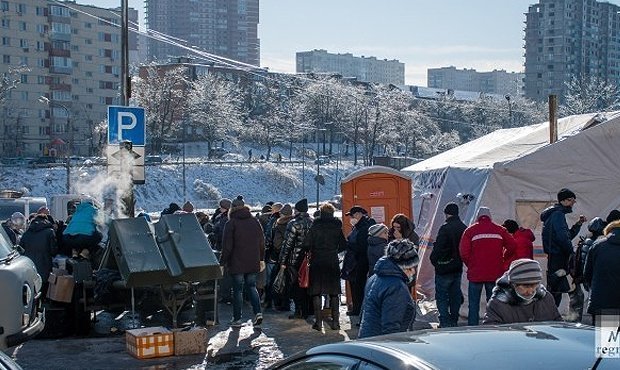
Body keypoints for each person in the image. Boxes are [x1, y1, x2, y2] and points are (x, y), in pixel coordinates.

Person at [460, 206, 517, 326]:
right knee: (493, 302)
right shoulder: (500, 230)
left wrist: (471, 264)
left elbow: (463, 252)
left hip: (476, 273)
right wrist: (503, 258)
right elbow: (512, 245)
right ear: (490, 216)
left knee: (473, 303)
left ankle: (473, 326)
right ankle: (493, 325)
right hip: (494, 272)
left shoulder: (470, 231)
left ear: (478, 216)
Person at [358, 239, 420, 338]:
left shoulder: (375, 277)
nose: (413, 272)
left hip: (369, 339)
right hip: (382, 345)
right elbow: (391, 327)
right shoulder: (396, 286)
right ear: (402, 266)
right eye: (410, 268)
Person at [220, 195, 265, 328]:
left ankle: (237, 319)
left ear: (232, 208)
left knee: (238, 290)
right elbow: (262, 242)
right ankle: (258, 313)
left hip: (237, 262)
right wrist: (261, 259)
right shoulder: (254, 221)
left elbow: (227, 246)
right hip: (253, 261)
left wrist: (222, 262)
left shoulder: (231, 223)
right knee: (252, 287)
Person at [303, 203, 347, 331]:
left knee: (316, 292)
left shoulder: (315, 226)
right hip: (332, 261)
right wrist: (333, 251)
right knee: (334, 292)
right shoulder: (337, 226)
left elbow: (306, 244)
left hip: (317, 261)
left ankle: (318, 322)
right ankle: (336, 322)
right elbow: (343, 245)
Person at [540, 188, 586, 306]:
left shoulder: (555, 214)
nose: (573, 203)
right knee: (558, 290)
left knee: (555, 288)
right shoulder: (558, 215)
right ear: (564, 201)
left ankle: (552, 315)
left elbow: (566, 235)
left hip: (555, 257)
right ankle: (553, 317)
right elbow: (562, 238)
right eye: (572, 200)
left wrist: (578, 225)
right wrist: (571, 252)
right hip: (559, 258)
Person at [483, 259, 562, 325]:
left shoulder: (546, 298)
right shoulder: (498, 304)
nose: (531, 291)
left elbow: (557, 323)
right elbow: (492, 333)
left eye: (535, 285)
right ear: (513, 284)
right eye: (526, 286)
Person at [429, 202, 467, 328]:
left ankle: (445, 321)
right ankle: (454, 319)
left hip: (444, 267)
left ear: (446, 213)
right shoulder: (463, 227)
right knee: (455, 294)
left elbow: (439, 247)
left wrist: (434, 260)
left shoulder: (445, 228)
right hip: (457, 266)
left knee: (441, 295)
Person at [279, 198, 313, 319]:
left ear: (297, 210)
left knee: (295, 285)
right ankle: (307, 310)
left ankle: (298, 310)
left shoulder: (293, 223)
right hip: (309, 259)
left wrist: (282, 261)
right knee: (307, 283)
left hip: (294, 259)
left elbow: (287, 244)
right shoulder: (312, 222)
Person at [583, 220, 620, 326]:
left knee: (608, 340)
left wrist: (594, 288)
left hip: (603, 303)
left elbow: (587, 274)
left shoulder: (597, 246)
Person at [344, 205, 376, 318]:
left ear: (358, 214)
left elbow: (362, 246)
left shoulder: (364, 227)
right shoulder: (359, 225)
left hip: (360, 262)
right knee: (356, 286)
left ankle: (359, 309)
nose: (350, 218)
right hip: (356, 261)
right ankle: (357, 308)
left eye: (352, 216)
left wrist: (350, 246)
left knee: (359, 286)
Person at [270, 203, 294, 311]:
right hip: (294, 256)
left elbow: (277, 243)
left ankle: (281, 303)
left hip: (281, 256)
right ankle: (288, 302)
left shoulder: (278, 225)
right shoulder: (294, 223)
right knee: (290, 281)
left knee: (279, 280)